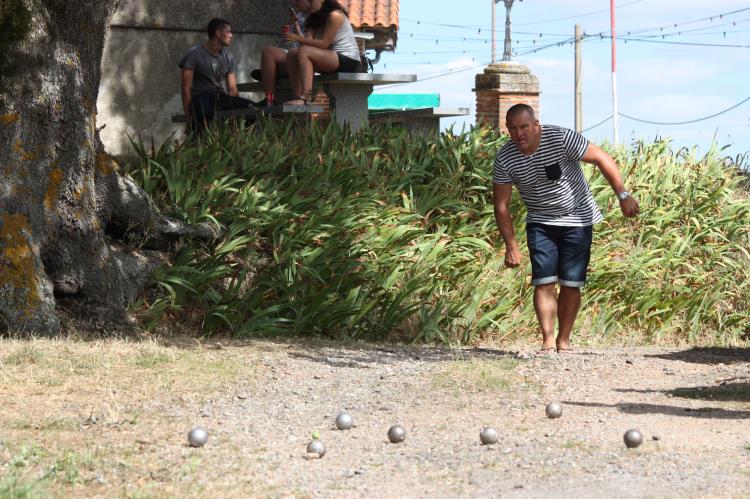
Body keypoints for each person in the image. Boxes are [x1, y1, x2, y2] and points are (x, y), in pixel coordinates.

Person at [492, 104, 640, 354]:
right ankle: (548, 341)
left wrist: (623, 195)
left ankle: (564, 340)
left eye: (524, 127)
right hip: (540, 221)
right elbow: (501, 205)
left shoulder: (561, 139)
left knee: (571, 283)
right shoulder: (506, 158)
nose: (520, 134)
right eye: (514, 128)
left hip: (578, 219)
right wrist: (511, 247)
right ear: (508, 129)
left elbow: (602, 158)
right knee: (544, 281)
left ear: (536, 125)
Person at [179, 18, 255, 134]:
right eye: (228, 32)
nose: (231, 35)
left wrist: (234, 106)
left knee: (251, 109)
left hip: (220, 98)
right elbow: (186, 87)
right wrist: (188, 116)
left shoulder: (228, 56)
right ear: (218, 33)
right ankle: (199, 141)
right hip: (201, 97)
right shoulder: (195, 53)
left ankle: (238, 141)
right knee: (203, 111)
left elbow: (232, 88)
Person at [282, 0, 362, 105]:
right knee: (293, 53)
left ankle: (307, 96)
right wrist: (296, 27)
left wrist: (297, 38)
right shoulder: (314, 19)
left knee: (303, 52)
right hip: (331, 58)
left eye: (310, 1)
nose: (308, 4)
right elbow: (304, 46)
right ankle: (298, 96)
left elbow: (324, 44)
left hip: (347, 59)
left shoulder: (335, 15)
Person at [257, 0, 311, 106]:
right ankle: (270, 100)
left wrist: (296, 27)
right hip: (294, 53)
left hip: (307, 56)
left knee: (295, 53)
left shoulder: (316, 16)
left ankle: (271, 72)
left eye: (297, 0)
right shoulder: (298, 15)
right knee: (268, 52)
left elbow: (307, 47)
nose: (294, 3)